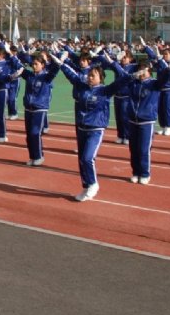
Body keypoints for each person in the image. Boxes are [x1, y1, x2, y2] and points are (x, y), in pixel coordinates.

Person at [53, 51, 133, 202]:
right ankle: (86, 186)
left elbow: (121, 81)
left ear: (100, 78)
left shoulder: (105, 90)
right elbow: (72, 75)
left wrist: (122, 70)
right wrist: (61, 65)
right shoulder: (82, 87)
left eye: (93, 75)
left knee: (88, 158)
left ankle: (93, 184)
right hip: (82, 127)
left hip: (95, 129)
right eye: (89, 75)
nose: (90, 77)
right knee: (81, 159)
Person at [125, 60, 170, 184]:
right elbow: (122, 76)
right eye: (140, 70)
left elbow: (165, 78)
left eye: (144, 70)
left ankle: (145, 173)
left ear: (150, 72)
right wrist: (132, 75)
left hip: (147, 121)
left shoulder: (154, 84)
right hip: (133, 120)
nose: (141, 73)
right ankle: (136, 172)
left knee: (144, 149)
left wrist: (167, 68)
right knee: (133, 149)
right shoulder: (133, 83)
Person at [19, 52, 60, 166]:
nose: (34, 66)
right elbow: (18, 65)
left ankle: (38, 156)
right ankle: (32, 157)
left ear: (42, 65)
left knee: (35, 133)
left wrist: (57, 64)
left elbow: (54, 71)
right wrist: (14, 53)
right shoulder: (29, 75)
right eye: (33, 64)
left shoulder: (46, 77)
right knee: (29, 135)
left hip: (39, 108)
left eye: (36, 64)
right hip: (28, 108)